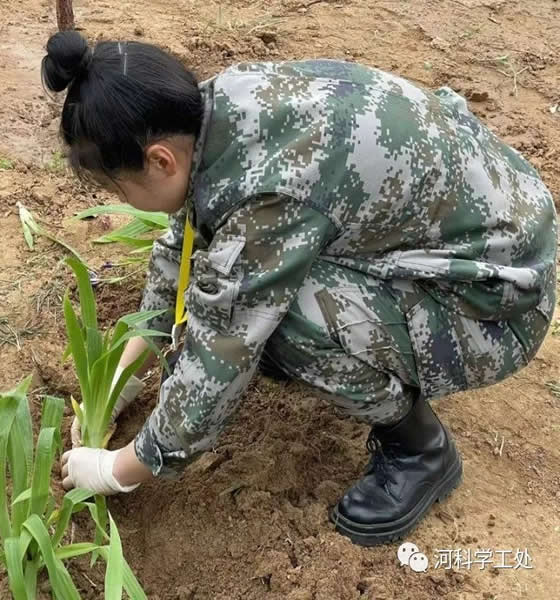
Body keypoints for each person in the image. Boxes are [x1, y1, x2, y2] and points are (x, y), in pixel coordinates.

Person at [43, 30, 557, 546]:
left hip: (497, 305)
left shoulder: (270, 190)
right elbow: (186, 242)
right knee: (251, 289)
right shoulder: (219, 105)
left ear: (160, 161)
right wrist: (125, 372)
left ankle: (420, 451)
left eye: (118, 188)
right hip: (492, 227)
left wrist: (124, 467)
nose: (123, 201)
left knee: (280, 322)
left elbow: (224, 348)